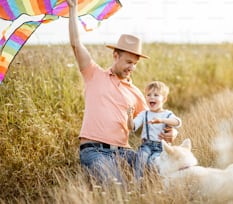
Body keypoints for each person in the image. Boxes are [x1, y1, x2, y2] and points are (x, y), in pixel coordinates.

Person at [66, 0, 178, 185]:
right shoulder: (93, 74)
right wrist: (73, 8)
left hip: (123, 151)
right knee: (117, 185)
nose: (132, 67)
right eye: (128, 62)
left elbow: (151, 122)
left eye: (135, 63)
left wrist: (170, 133)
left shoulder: (135, 93)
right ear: (115, 56)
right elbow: (76, 44)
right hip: (94, 151)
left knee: (159, 171)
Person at [127, 81, 182, 179]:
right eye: (148, 95)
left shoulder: (167, 114)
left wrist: (161, 120)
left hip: (161, 147)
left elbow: (177, 122)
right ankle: (137, 183)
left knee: (152, 162)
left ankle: (154, 182)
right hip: (146, 145)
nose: (152, 97)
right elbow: (132, 126)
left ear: (164, 99)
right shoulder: (145, 114)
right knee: (140, 159)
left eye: (156, 95)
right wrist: (130, 116)